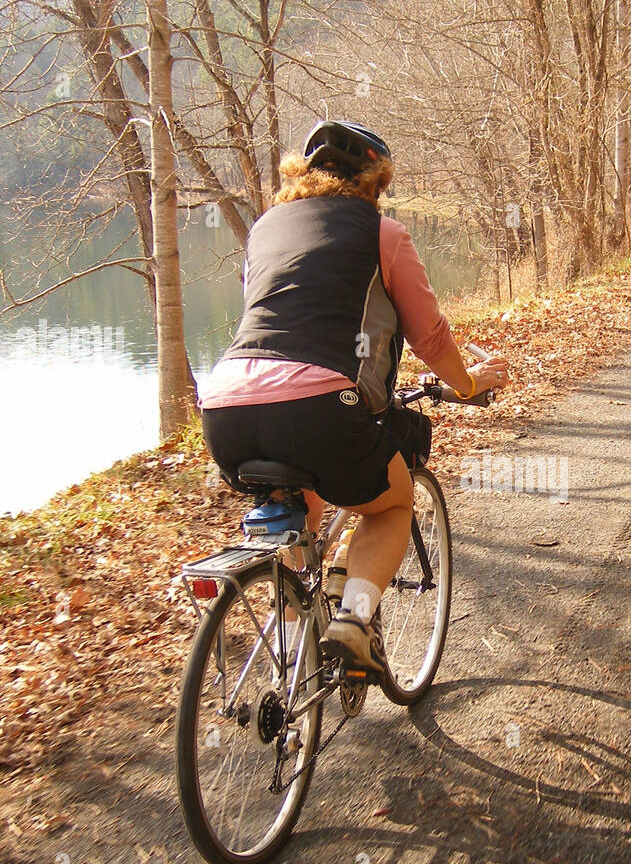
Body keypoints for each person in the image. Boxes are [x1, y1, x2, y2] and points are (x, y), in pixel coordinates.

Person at [199, 120, 509, 675]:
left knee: (298, 509)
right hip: (317, 408)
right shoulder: (381, 233)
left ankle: (293, 658)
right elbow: (429, 337)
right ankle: (352, 620)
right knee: (390, 506)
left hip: (224, 405)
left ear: (303, 175)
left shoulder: (265, 228)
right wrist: (468, 383)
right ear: (374, 183)